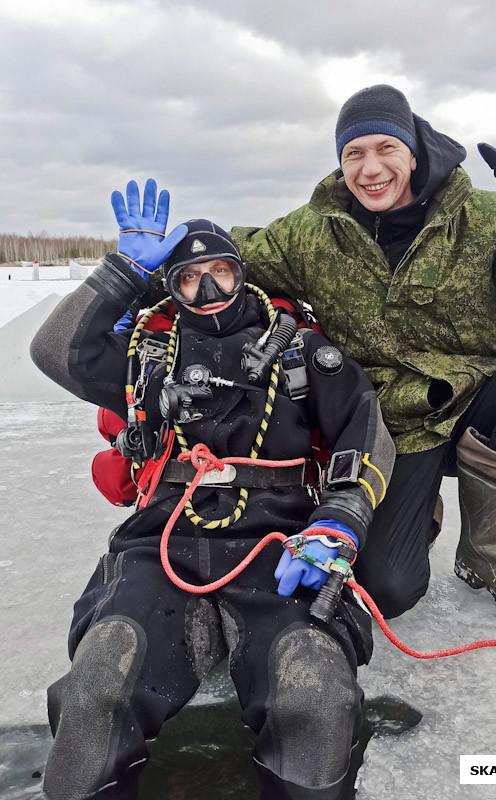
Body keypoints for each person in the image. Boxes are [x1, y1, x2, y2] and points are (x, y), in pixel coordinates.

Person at [30, 180, 396, 800]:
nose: (209, 289)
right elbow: (54, 352)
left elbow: (368, 433)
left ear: (241, 272)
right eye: (189, 277)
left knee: (316, 697)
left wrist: (341, 518)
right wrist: (121, 271)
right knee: (97, 690)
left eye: (221, 271)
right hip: (162, 542)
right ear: (170, 285)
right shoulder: (148, 354)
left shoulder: (301, 351)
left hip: (280, 543)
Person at [229, 85, 496, 624]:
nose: (370, 168)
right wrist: (145, 272)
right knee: (388, 590)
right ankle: (414, 511)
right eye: (354, 153)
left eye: (386, 148)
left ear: (414, 151)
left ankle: (486, 550)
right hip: (390, 428)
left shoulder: (482, 215)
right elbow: (226, 264)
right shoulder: (311, 232)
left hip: (479, 403)